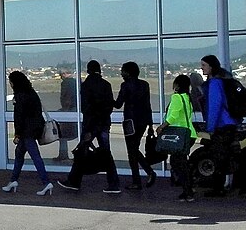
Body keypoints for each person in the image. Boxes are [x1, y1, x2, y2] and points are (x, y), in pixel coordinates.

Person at [58, 60, 121, 194]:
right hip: (103, 123)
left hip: (90, 124)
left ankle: (74, 181)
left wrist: (89, 126)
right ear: (100, 70)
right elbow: (109, 105)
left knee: (81, 152)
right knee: (106, 153)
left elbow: (85, 107)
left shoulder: (86, 85)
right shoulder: (106, 84)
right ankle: (113, 183)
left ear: (88, 70)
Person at [1, 71, 53, 196]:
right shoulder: (32, 93)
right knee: (19, 154)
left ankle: (46, 182)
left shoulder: (20, 96)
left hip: (26, 132)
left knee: (35, 156)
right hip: (34, 129)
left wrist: (17, 134)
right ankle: (13, 181)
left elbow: (19, 116)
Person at [200, 54, 239, 197]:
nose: (202, 68)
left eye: (204, 65)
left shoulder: (215, 83)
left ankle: (218, 188)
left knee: (218, 156)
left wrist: (210, 127)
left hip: (221, 125)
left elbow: (214, 106)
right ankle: (223, 185)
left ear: (211, 66)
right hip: (230, 123)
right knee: (225, 156)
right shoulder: (224, 79)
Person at [114, 61, 157, 190]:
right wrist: (150, 124)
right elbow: (147, 104)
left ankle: (140, 178)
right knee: (134, 148)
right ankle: (145, 175)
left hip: (130, 122)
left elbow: (118, 104)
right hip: (142, 121)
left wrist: (107, 99)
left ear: (128, 72)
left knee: (131, 151)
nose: (121, 73)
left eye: (123, 71)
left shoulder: (125, 85)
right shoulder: (145, 85)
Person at [156, 75, 197, 201]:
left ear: (177, 85)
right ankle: (189, 188)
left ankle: (187, 190)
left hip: (179, 135)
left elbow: (173, 116)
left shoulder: (176, 97)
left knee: (177, 163)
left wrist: (162, 126)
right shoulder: (187, 98)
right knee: (181, 163)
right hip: (189, 134)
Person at [53, 68, 78, 162]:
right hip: (75, 110)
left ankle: (63, 155)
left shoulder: (66, 83)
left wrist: (64, 111)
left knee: (62, 135)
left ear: (64, 74)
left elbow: (67, 97)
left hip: (69, 110)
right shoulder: (76, 82)